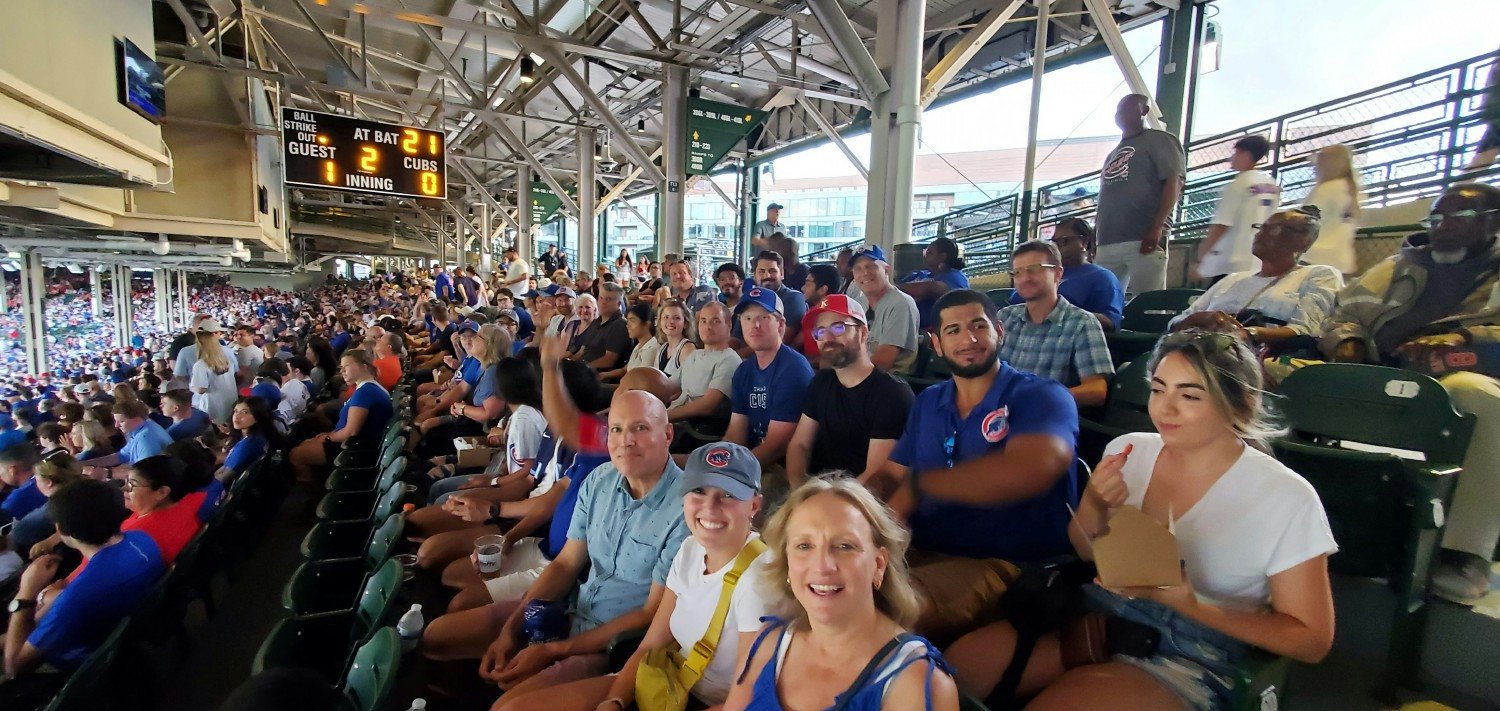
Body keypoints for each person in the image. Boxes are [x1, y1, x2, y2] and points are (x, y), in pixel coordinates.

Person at [945, 330, 1337, 710]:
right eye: (1158, 389)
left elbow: (1311, 641)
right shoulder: (1129, 451)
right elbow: (1086, 549)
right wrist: (1096, 502)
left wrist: (1191, 603)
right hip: (1097, 613)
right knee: (949, 678)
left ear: (1241, 405)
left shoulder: (1285, 497)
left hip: (1193, 645)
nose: (1165, 409)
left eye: (1189, 395)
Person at [419, 390, 690, 704]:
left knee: (508, 707)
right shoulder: (599, 480)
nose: (625, 440)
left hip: (615, 644)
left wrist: (553, 650)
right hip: (571, 608)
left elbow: (649, 615)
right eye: (616, 429)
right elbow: (566, 564)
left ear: (667, 433)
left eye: (640, 428)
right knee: (437, 637)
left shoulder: (685, 509)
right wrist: (516, 622)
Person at [1320, 182, 1500, 604]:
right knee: (1281, 376)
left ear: (1494, 222)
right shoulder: (1397, 265)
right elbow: (1342, 314)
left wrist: (1463, 337)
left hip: (1464, 373)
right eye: (1435, 217)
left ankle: (1462, 553)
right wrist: (1348, 341)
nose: (1443, 226)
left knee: (1473, 394)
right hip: (1384, 372)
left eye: (1460, 216)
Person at [495, 441, 773, 711]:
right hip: (667, 681)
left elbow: (746, 697)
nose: (710, 507)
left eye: (728, 495)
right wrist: (613, 701)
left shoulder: (759, 581)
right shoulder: (689, 549)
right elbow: (652, 643)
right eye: (699, 491)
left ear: (754, 506)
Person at [882, 289, 1080, 645]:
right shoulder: (929, 401)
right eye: (953, 330)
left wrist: (924, 486)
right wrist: (859, 527)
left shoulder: (1041, 396)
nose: (968, 339)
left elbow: (1033, 468)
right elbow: (894, 475)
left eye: (978, 326)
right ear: (937, 344)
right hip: (923, 549)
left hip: (1003, 562)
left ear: (999, 333)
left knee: (881, 608)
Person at [722, 477, 959, 711]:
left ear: (878, 565)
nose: (822, 565)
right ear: (787, 564)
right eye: (804, 546)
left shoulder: (917, 684)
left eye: (845, 546)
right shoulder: (768, 643)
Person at [5, 479, 163, 677]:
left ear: (61, 530)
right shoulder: (142, 539)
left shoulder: (77, 598)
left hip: (85, 667)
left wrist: (25, 593)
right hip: (127, 635)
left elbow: (14, 667)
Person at [1170, 207, 1344, 353]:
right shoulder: (1234, 279)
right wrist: (1198, 318)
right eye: (1261, 227)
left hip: (1257, 358)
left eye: (1274, 228)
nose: (1261, 234)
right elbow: (1174, 323)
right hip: (1201, 351)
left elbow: (1305, 330)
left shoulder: (1320, 275)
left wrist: (1250, 333)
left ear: (1304, 241)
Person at [786, 296, 914, 489]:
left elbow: (877, 477)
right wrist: (798, 490)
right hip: (815, 491)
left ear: (863, 333)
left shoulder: (892, 393)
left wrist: (826, 503)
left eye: (838, 328)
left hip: (861, 503)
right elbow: (799, 445)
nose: (828, 338)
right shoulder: (821, 382)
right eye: (820, 332)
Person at [997, 240, 1114, 407]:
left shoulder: (1082, 323)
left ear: (1058, 274)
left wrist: (1040, 398)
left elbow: (1097, 390)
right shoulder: (1005, 316)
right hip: (997, 412)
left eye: (1035, 269)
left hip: (1045, 416)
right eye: (1018, 272)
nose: (1025, 278)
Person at [1093, 94, 1186, 297]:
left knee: (1148, 301)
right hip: (1107, 239)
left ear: (1144, 111)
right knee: (1102, 301)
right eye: (1119, 110)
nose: (1121, 113)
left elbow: (1174, 181)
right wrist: (1096, 233)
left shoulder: (1160, 140)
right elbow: (1106, 196)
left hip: (1143, 238)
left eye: (1128, 108)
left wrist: (1157, 226)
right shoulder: (1113, 154)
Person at [725, 285, 815, 479]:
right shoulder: (743, 371)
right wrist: (720, 465)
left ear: (781, 324)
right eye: (747, 318)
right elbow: (735, 434)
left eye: (763, 318)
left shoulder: (793, 369)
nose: (754, 325)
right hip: (751, 461)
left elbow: (776, 447)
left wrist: (730, 477)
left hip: (782, 469)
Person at [289, 351, 395, 483]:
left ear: (364, 366)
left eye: (347, 366)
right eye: (341, 368)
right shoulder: (367, 388)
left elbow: (351, 432)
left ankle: (318, 497)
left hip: (356, 448)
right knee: (305, 444)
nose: (342, 371)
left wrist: (327, 437)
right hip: (355, 443)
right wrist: (329, 434)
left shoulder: (365, 392)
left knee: (296, 455)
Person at [1193, 135, 1282, 283]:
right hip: (1257, 260)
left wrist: (1201, 258)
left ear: (1246, 154)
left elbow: (1221, 225)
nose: (1232, 158)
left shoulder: (1238, 185)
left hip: (1231, 260)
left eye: (1236, 153)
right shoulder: (1272, 186)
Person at [1011, 218, 1124, 331]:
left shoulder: (1103, 278)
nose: (1056, 246)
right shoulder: (1042, 271)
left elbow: (1110, 321)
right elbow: (1014, 301)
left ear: (1084, 242)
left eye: (1063, 241)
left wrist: (1058, 311)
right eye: (1054, 241)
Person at [667, 302, 742, 431]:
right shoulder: (695, 355)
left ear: (728, 325)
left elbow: (708, 405)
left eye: (715, 321)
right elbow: (668, 388)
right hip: (675, 421)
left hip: (696, 429)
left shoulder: (730, 359)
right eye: (703, 321)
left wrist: (662, 417)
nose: (708, 327)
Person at [849, 246, 921, 374]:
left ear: (886, 270)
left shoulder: (901, 303)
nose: (864, 273)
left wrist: (847, 376)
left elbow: (883, 362)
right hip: (863, 376)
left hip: (889, 381)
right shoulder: (859, 303)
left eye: (871, 266)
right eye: (858, 268)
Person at [1302, 144, 1363, 275]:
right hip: (1342, 261)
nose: (1314, 168)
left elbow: (1304, 221)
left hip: (1315, 258)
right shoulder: (1352, 190)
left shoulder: (1326, 189)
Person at [78, 400, 174, 480]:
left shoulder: (146, 439)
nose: (116, 425)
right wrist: (85, 464)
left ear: (136, 419)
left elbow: (144, 475)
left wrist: (108, 473)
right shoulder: (141, 428)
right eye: (115, 421)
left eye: (121, 421)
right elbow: (121, 456)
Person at [898, 237, 970, 331]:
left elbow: (930, 289)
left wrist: (898, 288)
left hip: (935, 330)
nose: (925, 256)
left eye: (930, 253)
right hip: (905, 323)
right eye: (925, 253)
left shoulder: (955, 276)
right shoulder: (919, 274)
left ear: (942, 257)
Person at [750, 251, 809, 351]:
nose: (767, 276)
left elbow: (780, 340)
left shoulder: (793, 297)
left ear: (781, 274)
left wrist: (737, 355)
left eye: (772, 271)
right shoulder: (750, 299)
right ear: (755, 275)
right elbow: (736, 338)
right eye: (762, 271)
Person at [576, 282, 633, 373]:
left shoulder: (620, 325)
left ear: (618, 304)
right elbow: (582, 351)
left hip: (599, 376)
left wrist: (583, 368)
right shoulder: (596, 322)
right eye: (601, 298)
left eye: (608, 299)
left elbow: (609, 361)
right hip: (584, 371)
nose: (603, 302)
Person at [218, 396, 277, 483]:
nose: (236, 416)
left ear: (258, 416)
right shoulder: (260, 433)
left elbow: (223, 479)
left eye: (245, 412)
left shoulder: (246, 447)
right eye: (235, 411)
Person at [189, 320, 238, 424]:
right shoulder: (226, 358)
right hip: (230, 406)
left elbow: (200, 389)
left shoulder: (201, 365)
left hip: (213, 409)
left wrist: (191, 386)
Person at [602, 303, 660, 383]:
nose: (627, 325)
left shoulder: (652, 349)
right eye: (628, 320)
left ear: (647, 324)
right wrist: (603, 375)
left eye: (632, 321)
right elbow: (625, 370)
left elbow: (639, 384)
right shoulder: (639, 346)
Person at [653, 298, 698, 379]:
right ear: (660, 322)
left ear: (685, 324)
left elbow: (688, 383)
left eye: (677, 318)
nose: (671, 321)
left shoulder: (687, 348)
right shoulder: (663, 348)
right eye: (666, 317)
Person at [653, 261, 717, 315]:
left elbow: (700, 322)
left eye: (681, 273)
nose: (677, 276)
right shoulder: (674, 301)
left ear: (691, 276)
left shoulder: (703, 291)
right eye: (673, 274)